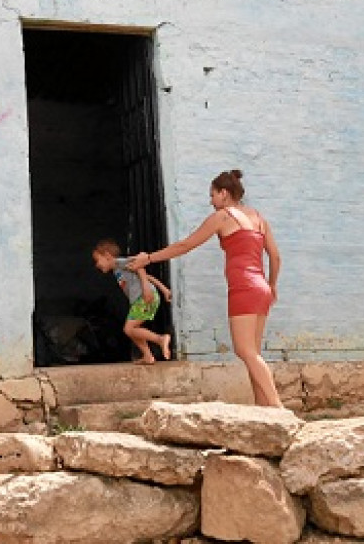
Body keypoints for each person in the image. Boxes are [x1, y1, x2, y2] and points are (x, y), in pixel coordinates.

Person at [128, 169, 283, 407]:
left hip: (243, 288)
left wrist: (148, 258)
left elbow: (185, 245)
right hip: (261, 288)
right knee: (253, 354)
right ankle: (264, 409)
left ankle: (277, 407)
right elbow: (275, 256)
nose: (211, 201)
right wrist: (271, 285)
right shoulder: (259, 218)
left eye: (212, 195)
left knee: (245, 352)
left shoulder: (223, 216)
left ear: (224, 193)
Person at [92, 238, 172, 365]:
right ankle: (148, 356)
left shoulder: (120, 263)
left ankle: (160, 339)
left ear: (107, 256)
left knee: (129, 329)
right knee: (134, 330)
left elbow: (140, 266)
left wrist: (146, 288)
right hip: (142, 298)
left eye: (97, 260)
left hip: (144, 297)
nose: (97, 265)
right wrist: (164, 289)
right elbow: (149, 277)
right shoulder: (117, 269)